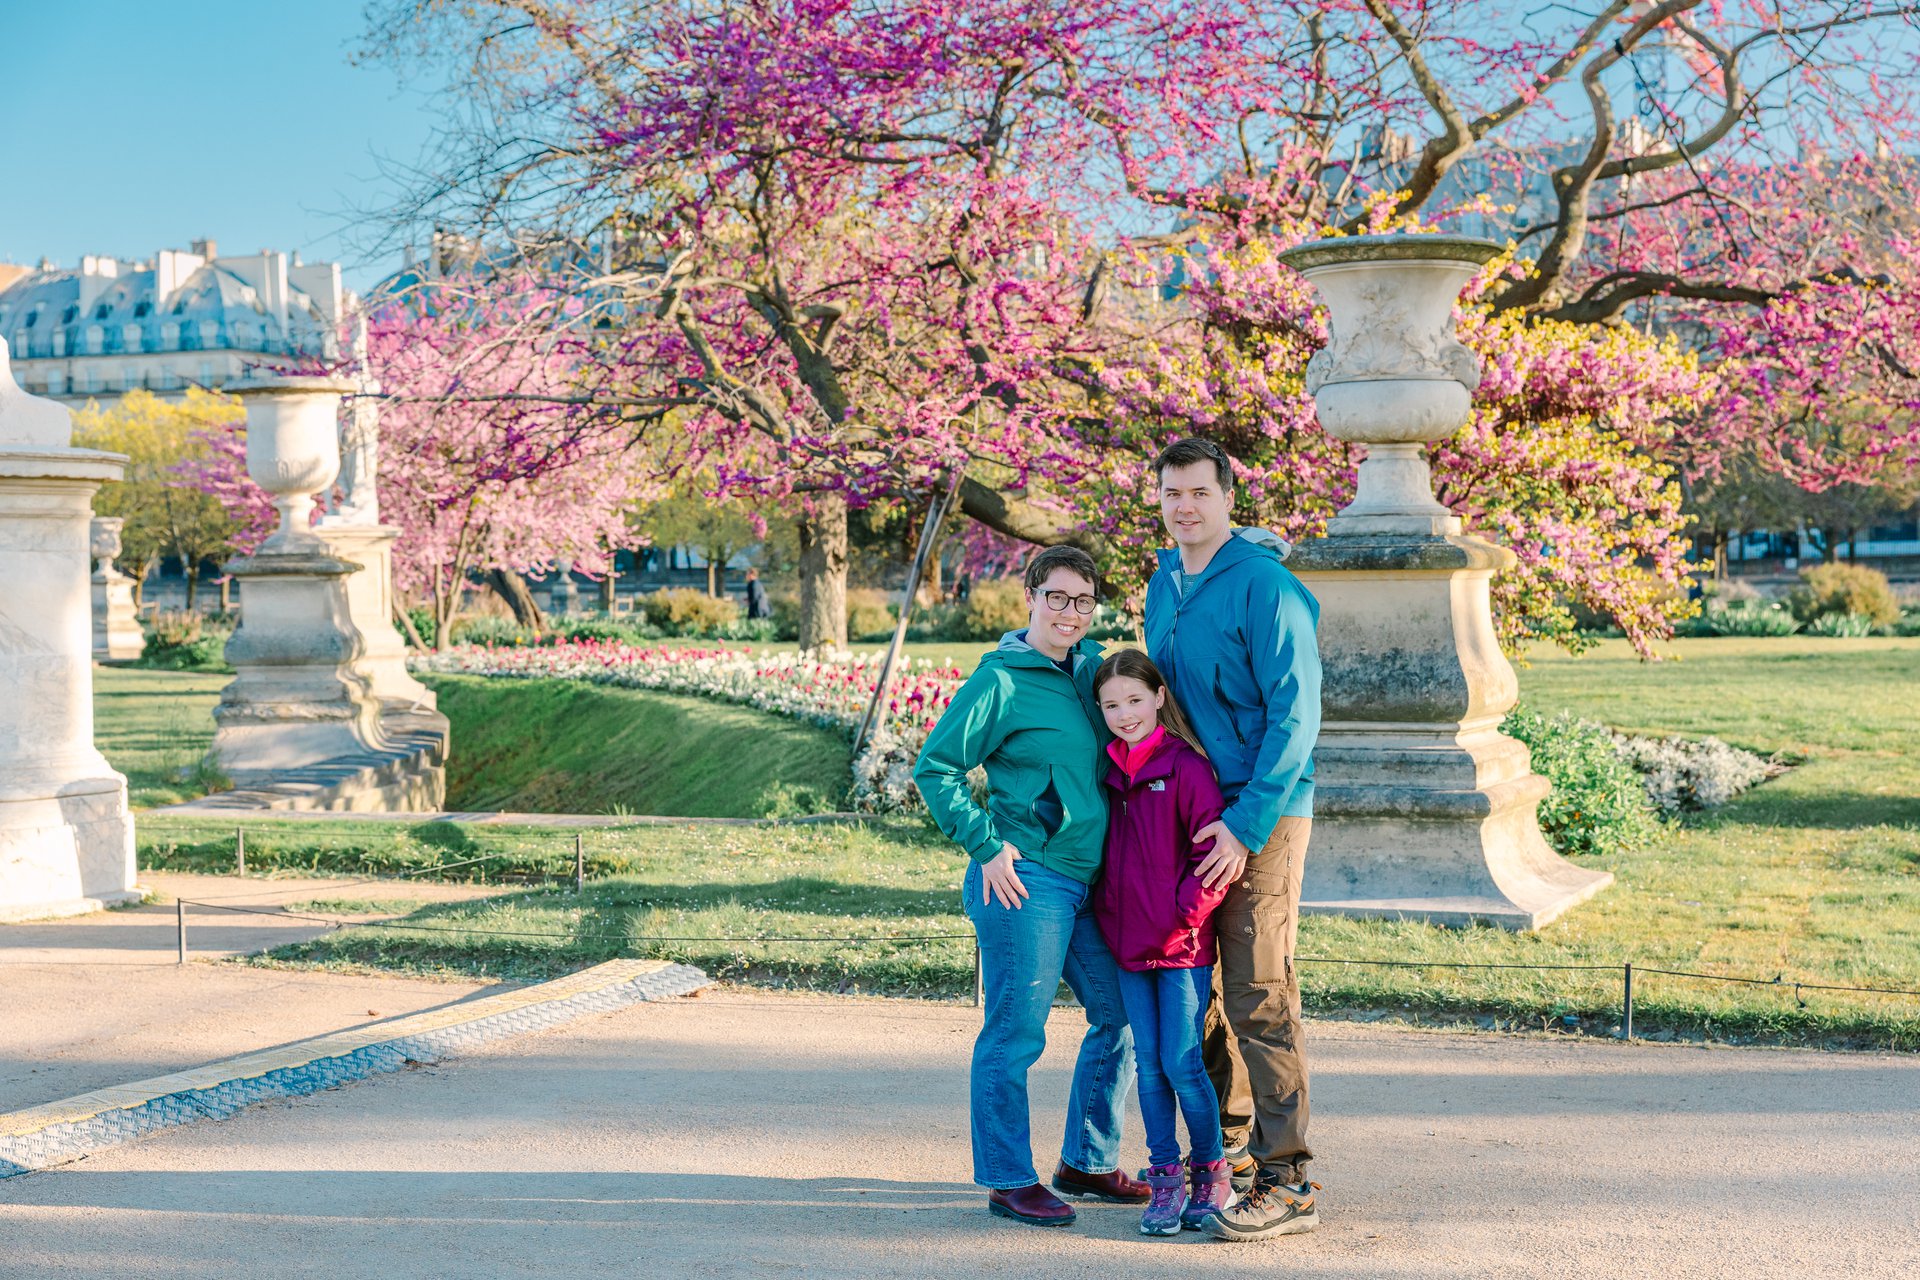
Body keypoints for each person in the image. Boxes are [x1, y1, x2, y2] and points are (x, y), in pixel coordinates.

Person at [912, 545, 1144, 1228]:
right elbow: (936, 768)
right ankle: (1008, 1178)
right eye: (1057, 597)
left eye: (1083, 600)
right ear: (1030, 598)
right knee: (1015, 1031)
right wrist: (985, 845)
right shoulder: (1000, 681)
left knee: (1121, 1012)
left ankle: (1088, 1162)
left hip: (1089, 879)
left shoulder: (1093, 670)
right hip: (1025, 880)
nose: (1070, 612)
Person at [1143, 436, 1324, 1242]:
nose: (1185, 507)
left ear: (1227, 499)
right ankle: (1232, 1155)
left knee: (1259, 991)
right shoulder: (1163, 584)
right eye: (1171, 493)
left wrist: (1246, 825)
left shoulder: (1266, 586)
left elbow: (1297, 715)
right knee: (1194, 989)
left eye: (1199, 493)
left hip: (1264, 814)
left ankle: (1290, 1180)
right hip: (1188, 815)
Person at [1089, 649, 1235, 1236]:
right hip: (1128, 944)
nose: (1124, 714)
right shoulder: (1106, 772)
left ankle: (1212, 1173)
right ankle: (1166, 1176)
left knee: (1182, 1062)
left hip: (1181, 946)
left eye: (1134, 700)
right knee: (1148, 1066)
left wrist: (1185, 916)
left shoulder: (1185, 767)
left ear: (1158, 698)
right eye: (1111, 705)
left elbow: (1212, 856)